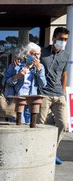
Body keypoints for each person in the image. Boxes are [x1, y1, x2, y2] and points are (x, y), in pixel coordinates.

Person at [38, 27, 69, 165]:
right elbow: (27, 59)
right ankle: (39, 152)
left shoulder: (66, 55)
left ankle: (51, 151)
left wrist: (62, 92)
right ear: (54, 38)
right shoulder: (42, 52)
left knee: (63, 124)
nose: (63, 42)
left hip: (59, 95)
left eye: (65, 40)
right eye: (61, 39)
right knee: (40, 124)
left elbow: (64, 74)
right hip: (43, 94)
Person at [4, 42, 46, 123]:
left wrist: (39, 70)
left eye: (39, 54)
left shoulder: (40, 67)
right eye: (35, 54)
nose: (37, 56)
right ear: (27, 54)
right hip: (17, 101)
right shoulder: (16, 65)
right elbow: (5, 82)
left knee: (29, 125)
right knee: (18, 124)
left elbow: (43, 84)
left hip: (31, 101)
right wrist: (18, 76)